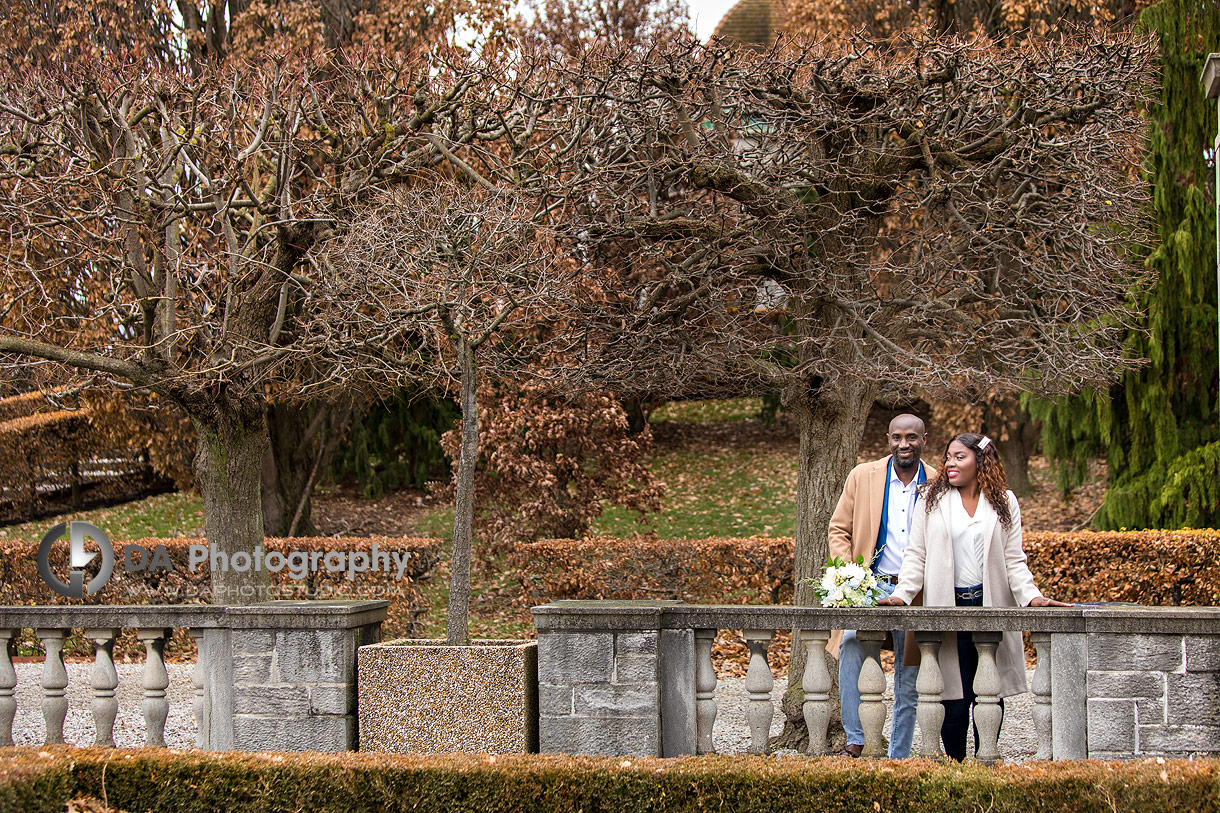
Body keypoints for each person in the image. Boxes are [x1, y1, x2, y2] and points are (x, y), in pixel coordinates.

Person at [878, 432, 1070, 760]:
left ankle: (986, 765)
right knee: (952, 701)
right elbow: (916, 555)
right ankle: (956, 767)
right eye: (948, 457)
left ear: (980, 462)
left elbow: (1014, 560)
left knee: (988, 695)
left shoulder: (1004, 502)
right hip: (947, 608)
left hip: (989, 608)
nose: (950, 463)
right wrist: (902, 595)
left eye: (959, 457)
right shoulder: (930, 499)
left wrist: (1033, 597)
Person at [828, 413, 933, 759]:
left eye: (912, 438)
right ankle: (855, 739)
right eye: (897, 437)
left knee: (910, 674)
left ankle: (899, 753)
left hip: (916, 594)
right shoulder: (863, 476)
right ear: (888, 439)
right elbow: (838, 529)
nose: (904, 444)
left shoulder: (936, 482)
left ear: (923, 439)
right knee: (851, 646)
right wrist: (850, 575)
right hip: (870, 588)